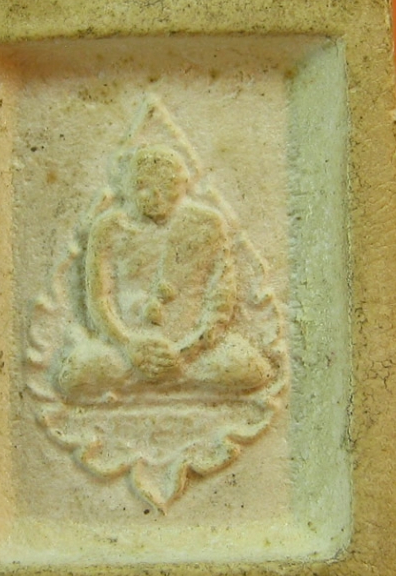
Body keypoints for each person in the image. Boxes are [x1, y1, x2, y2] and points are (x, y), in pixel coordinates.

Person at [57, 143, 272, 398]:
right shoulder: (109, 227)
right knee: (75, 373)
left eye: (165, 185)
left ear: (182, 185)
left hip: (194, 350)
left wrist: (187, 351)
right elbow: (99, 300)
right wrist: (128, 344)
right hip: (126, 350)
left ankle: (161, 378)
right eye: (142, 185)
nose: (154, 195)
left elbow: (221, 297)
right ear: (127, 186)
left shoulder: (207, 224)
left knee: (252, 370)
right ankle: (165, 379)